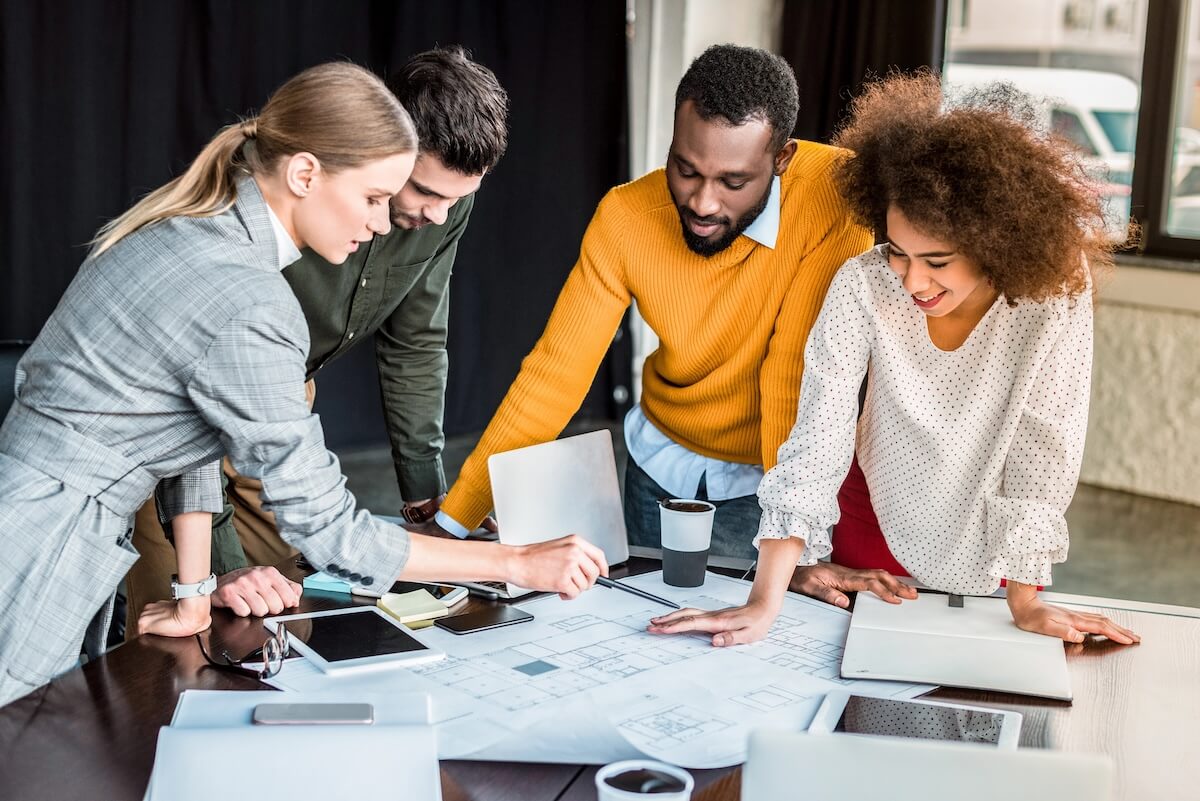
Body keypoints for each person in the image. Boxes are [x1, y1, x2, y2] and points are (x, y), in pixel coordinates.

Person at [0, 62, 605, 707]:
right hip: (43, 543)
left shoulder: (199, 229)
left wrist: (195, 594)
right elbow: (329, 531)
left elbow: (190, 433)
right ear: (305, 174)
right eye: (374, 198)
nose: (381, 224)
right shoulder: (251, 296)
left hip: (43, 516)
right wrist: (516, 562)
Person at [648, 72, 1140, 647]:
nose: (911, 279)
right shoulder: (865, 282)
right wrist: (763, 599)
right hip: (871, 521)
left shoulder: (1052, 291)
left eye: (937, 260)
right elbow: (818, 439)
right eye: (899, 250)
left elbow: (1043, 447)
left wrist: (1025, 602)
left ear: (999, 243)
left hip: (988, 540)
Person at [433, 45, 873, 562]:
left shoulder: (838, 195)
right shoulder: (625, 217)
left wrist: (793, 547)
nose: (702, 203)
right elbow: (554, 374)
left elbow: (792, 378)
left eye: (733, 182)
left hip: (771, 483)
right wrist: (454, 522)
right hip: (659, 463)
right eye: (685, 170)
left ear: (781, 159)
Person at [122, 46, 511, 626]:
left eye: (458, 198)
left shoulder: (443, 207)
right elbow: (193, 423)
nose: (438, 215)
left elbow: (415, 341)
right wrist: (218, 572)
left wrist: (427, 497)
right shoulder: (259, 214)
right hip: (171, 419)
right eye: (424, 193)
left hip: (283, 406)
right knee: (183, 637)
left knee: (290, 613)